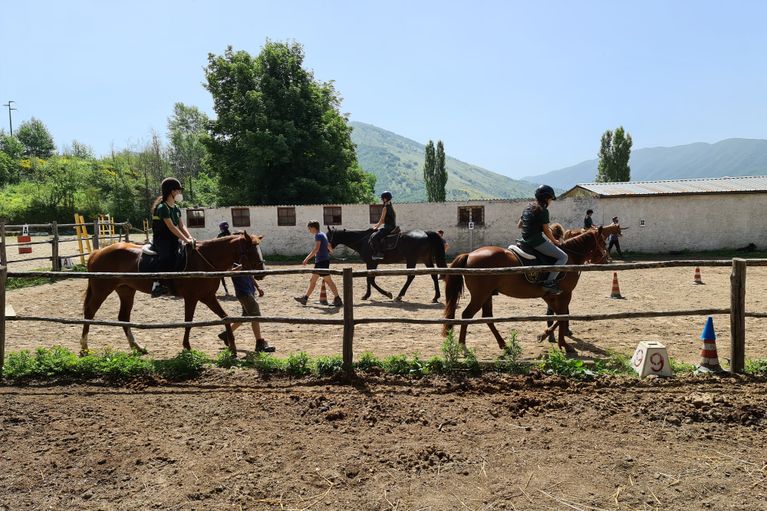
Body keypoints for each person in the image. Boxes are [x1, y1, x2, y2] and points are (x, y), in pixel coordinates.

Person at [516, 185, 568, 295]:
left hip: (524, 240)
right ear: (546, 198)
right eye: (550, 199)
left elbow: (519, 225)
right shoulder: (543, 210)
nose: (550, 201)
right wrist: (555, 241)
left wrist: (533, 225)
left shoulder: (527, 208)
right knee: (563, 257)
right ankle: (549, 283)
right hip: (536, 241)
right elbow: (546, 231)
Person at [150, 177, 194, 298]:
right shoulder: (162, 208)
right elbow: (172, 227)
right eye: (178, 190)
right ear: (172, 191)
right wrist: (186, 240)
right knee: (166, 256)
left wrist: (190, 237)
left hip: (173, 239)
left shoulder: (176, 208)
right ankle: (157, 284)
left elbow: (181, 225)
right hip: (162, 240)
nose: (180, 193)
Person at [218, 271, 274, 353]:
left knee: (245, 316)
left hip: (249, 291)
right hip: (243, 292)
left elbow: (250, 274)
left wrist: (257, 287)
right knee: (255, 316)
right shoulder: (234, 260)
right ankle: (259, 343)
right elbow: (227, 271)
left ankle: (226, 334)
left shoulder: (245, 259)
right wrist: (236, 269)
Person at [294, 221, 343, 307]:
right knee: (314, 281)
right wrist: (330, 251)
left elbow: (316, 249)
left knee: (328, 281)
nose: (309, 230)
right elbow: (328, 245)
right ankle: (305, 298)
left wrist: (306, 259)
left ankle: (337, 298)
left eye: (309, 228)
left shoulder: (318, 235)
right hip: (323, 261)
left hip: (321, 262)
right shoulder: (323, 234)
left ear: (313, 228)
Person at [370, 191, 396, 260]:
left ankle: (379, 253)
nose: (382, 200)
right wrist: (376, 225)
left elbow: (382, 220)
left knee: (374, 237)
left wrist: (376, 228)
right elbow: (384, 220)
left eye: (382, 198)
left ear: (385, 199)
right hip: (393, 227)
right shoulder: (391, 207)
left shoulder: (385, 208)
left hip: (388, 228)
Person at [217, 221, 232, 296]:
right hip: (231, 255)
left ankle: (226, 290)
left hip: (221, 256)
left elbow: (216, 245)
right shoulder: (230, 234)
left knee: (219, 272)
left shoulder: (220, 235)